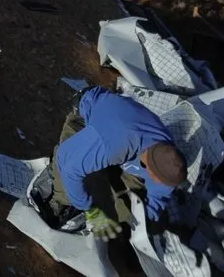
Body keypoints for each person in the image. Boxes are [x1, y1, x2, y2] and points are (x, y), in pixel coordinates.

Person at [48, 86, 187, 241]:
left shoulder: (168, 159)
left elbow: (157, 198)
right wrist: (91, 211)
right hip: (88, 120)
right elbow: (69, 167)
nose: (163, 185)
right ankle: (60, 202)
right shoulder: (113, 142)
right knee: (72, 183)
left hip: (123, 143)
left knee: (128, 211)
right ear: (150, 169)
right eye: (158, 180)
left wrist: (144, 226)